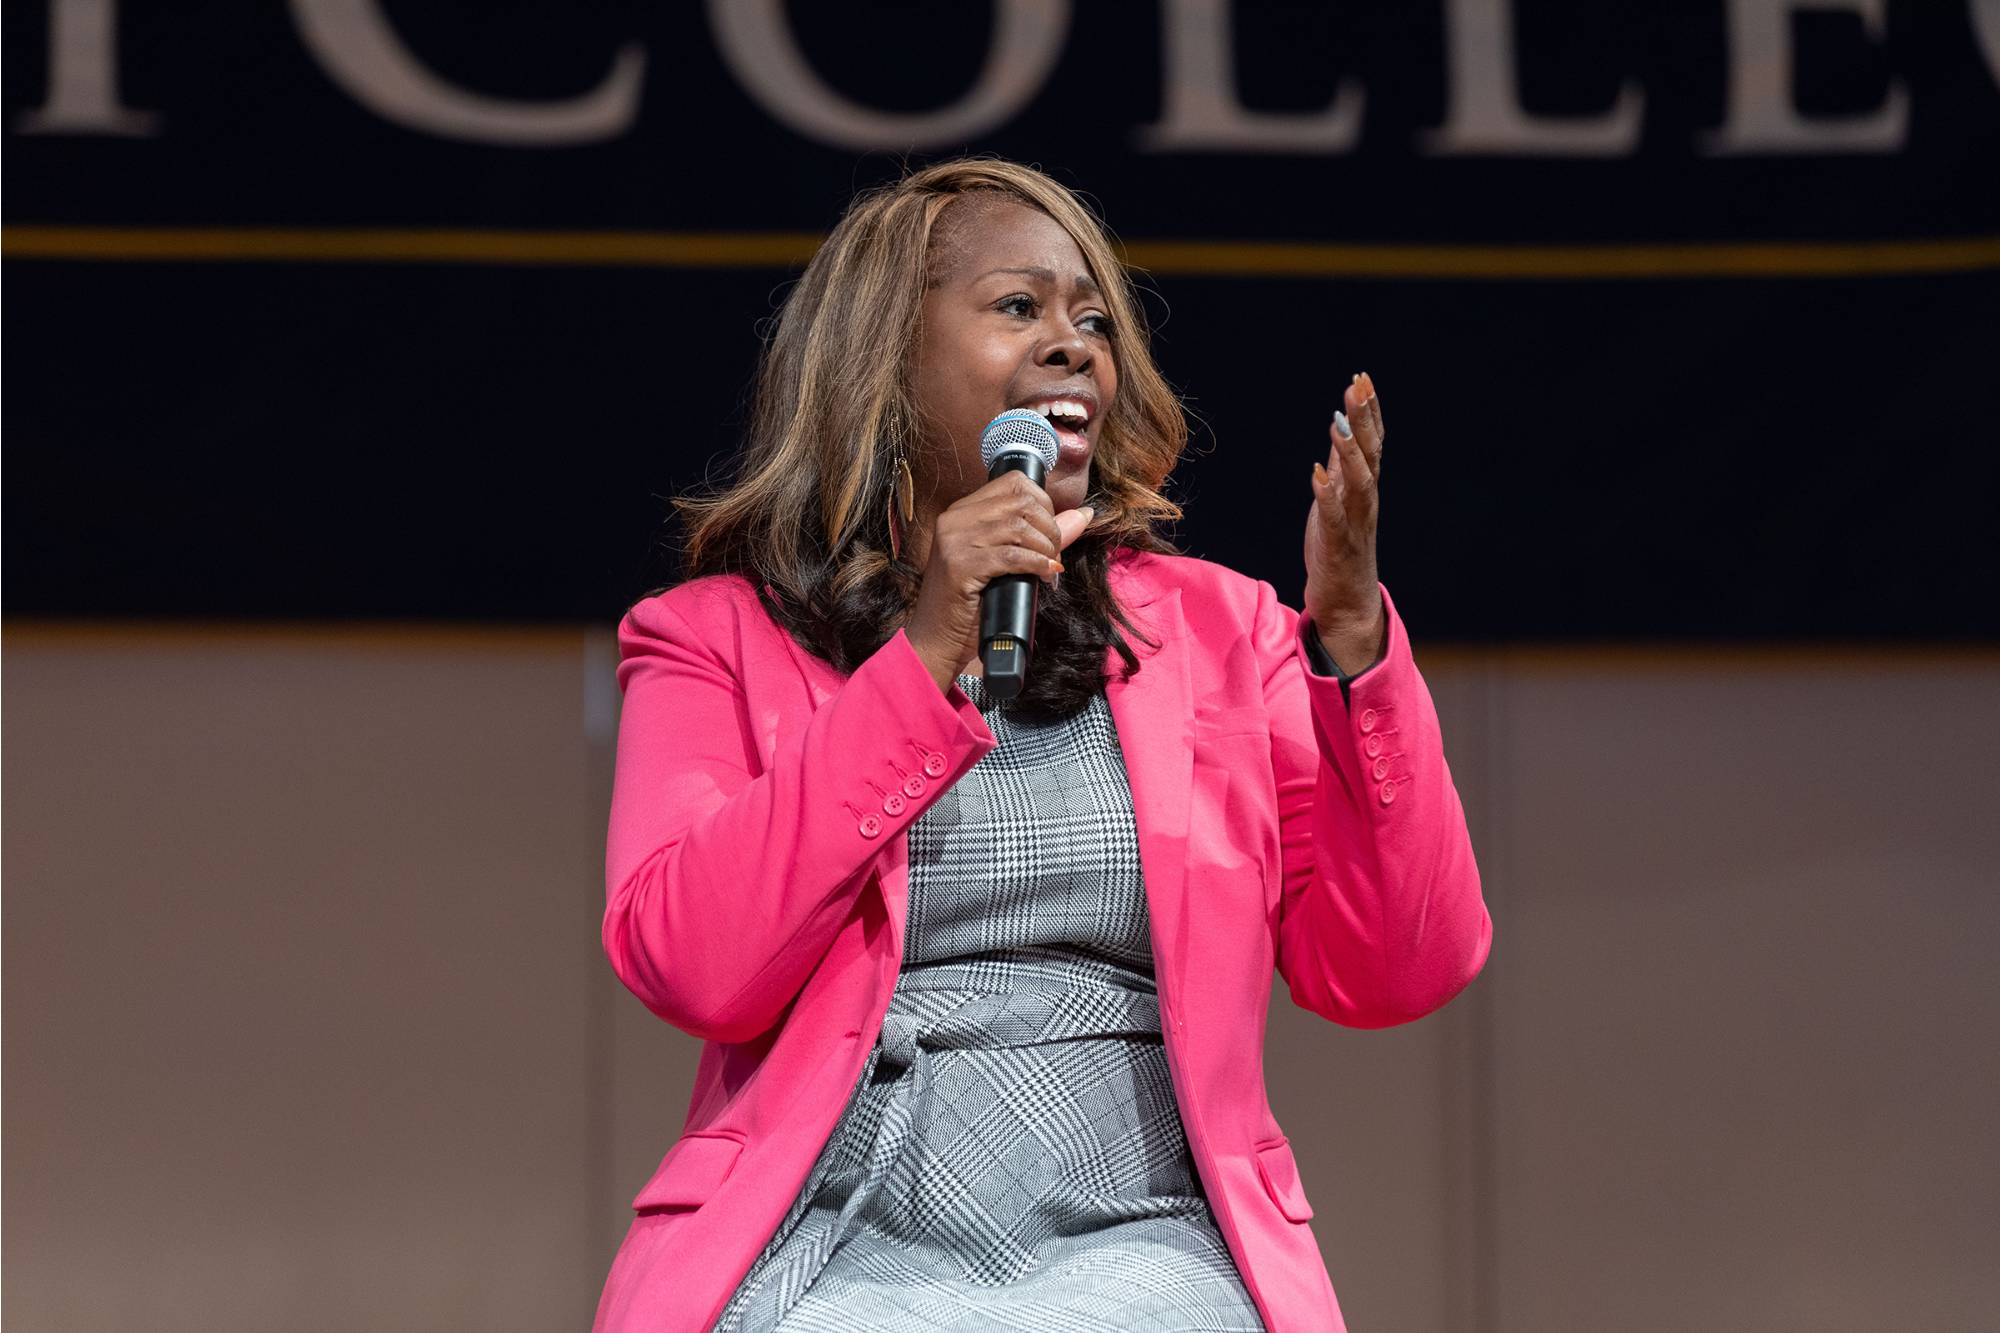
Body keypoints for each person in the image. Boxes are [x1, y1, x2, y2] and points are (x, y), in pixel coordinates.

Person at [591, 157, 1492, 1333]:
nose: (1074, 346)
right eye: (1018, 307)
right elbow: (692, 963)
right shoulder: (715, 637)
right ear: (885, 360)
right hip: (829, 1238)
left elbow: (1394, 968)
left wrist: (1355, 648)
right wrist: (923, 656)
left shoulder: (1218, 631)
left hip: (1146, 1238)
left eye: (1093, 320)